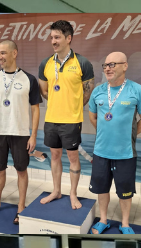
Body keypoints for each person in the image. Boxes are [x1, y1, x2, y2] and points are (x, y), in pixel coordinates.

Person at [87, 52, 141, 235]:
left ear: (125, 66)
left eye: (113, 64)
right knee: (102, 189)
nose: (108, 68)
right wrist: (104, 132)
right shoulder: (98, 91)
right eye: (106, 65)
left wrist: (129, 135)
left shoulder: (136, 90)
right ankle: (103, 220)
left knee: (125, 192)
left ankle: (124, 223)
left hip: (125, 153)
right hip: (101, 151)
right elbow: (93, 116)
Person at [0, 40, 41, 226]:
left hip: (20, 133)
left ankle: (21, 206)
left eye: (4, 53)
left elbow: (35, 109)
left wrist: (33, 135)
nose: (0, 57)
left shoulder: (29, 79)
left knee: (21, 170)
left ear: (14, 53)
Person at [37, 20, 93, 210]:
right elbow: (44, 91)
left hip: (71, 121)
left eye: (57, 37)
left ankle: (73, 194)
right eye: (52, 37)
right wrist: (57, 102)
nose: (53, 41)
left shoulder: (82, 63)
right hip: (51, 119)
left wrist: (73, 107)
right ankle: (56, 190)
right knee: (54, 155)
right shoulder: (45, 63)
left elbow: (88, 92)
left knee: (73, 158)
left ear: (68, 38)